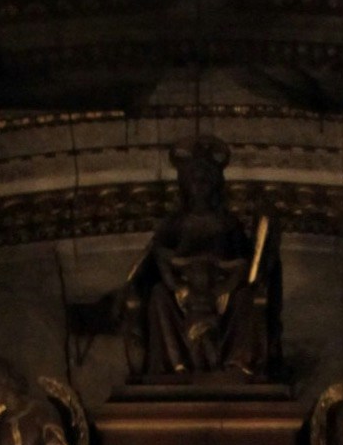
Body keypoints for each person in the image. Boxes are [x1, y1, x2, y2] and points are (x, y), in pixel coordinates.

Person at [70, 140, 281, 381]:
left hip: (222, 292)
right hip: (181, 293)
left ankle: (238, 362)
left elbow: (244, 262)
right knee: (158, 296)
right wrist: (175, 283)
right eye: (194, 180)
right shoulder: (174, 223)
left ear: (214, 184)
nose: (199, 186)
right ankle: (173, 365)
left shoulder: (228, 223)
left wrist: (229, 282)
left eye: (205, 180)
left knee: (245, 299)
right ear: (185, 185)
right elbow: (156, 257)